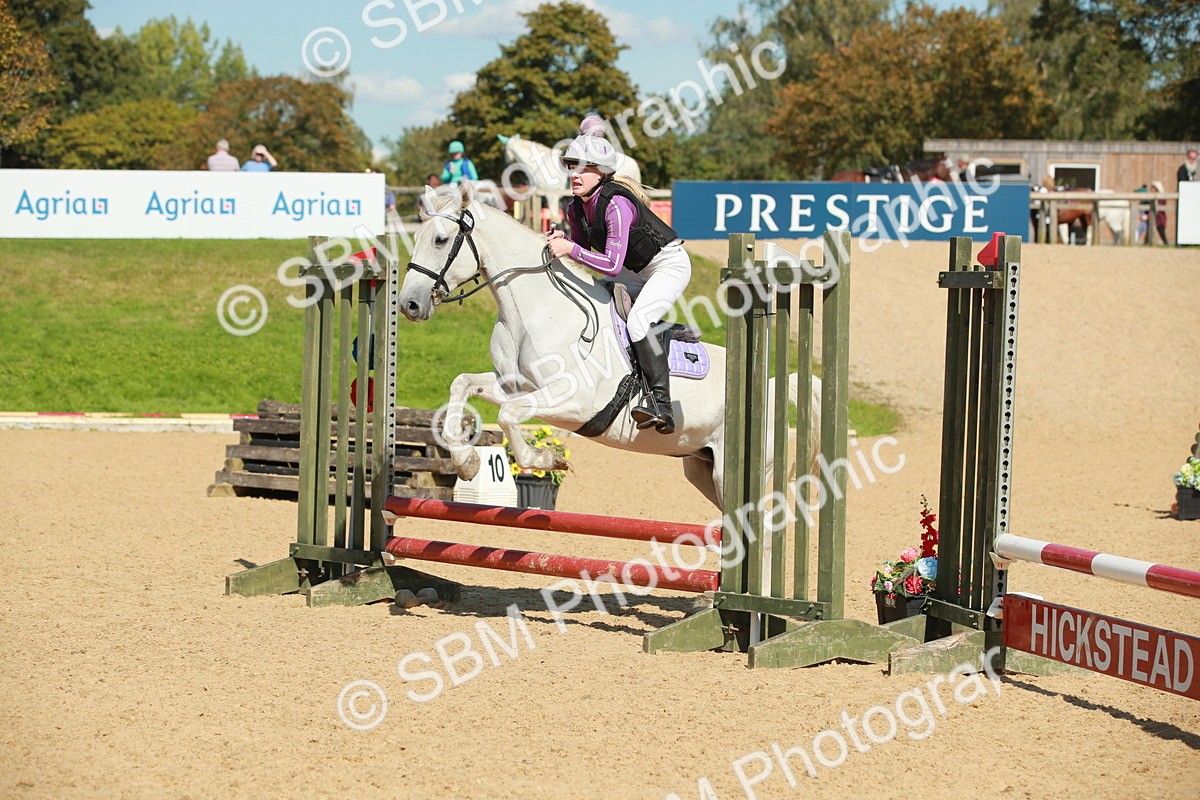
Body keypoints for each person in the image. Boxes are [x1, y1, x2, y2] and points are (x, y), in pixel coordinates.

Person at [546, 114, 690, 435]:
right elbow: (588, 260)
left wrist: (569, 248)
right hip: (634, 270)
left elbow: (609, 264)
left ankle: (662, 406)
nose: (575, 174)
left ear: (602, 173)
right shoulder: (575, 208)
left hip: (668, 265)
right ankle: (662, 332)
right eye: (572, 166)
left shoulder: (617, 205)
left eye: (583, 167)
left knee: (638, 321)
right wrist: (561, 244)